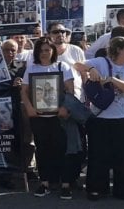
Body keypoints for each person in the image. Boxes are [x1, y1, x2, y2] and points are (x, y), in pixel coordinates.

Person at [75, 37, 124, 201]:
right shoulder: (102, 61)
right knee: (97, 154)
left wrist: (111, 80)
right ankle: (96, 189)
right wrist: (92, 68)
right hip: (100, 117)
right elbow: (77, 65)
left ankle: (121, 190)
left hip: (122, 117)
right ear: (118, 49)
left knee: (121, 155)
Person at [21, 37, 77, 199]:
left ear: (53, 50)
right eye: (41, 50)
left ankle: (65, 184)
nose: (44, 53)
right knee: (42, 149)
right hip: (38, 117)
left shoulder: (62, 66)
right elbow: (24, 91)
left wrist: (65, 108)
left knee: (62, 149)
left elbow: (70, 91)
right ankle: (44, 182)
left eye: (47, 49)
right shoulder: (31, 68)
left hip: (59, 117)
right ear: (36, 52)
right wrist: (29, 108)